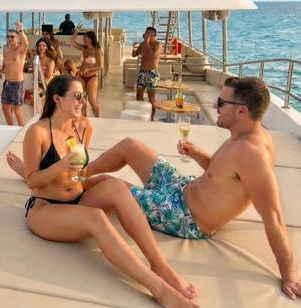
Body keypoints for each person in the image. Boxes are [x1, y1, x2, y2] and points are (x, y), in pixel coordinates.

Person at [86, 76, 300, 300]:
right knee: (129, 146)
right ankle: (78, 174)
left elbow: (273, 217)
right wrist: (197, 154)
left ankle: (68, 192)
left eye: (221, 102)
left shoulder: (252, 154)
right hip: (182, 187)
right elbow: (219, 173)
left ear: (241, 111)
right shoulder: (241, 136)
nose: (215, 106)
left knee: (107, 184)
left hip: (185, 217)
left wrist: (289, 276)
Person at [22, 75, 197, 307]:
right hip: (46, 208)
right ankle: (158, 289)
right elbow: (32, 181)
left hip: (77, 200)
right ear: (57, 99)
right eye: (77, 96)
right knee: (96, 217)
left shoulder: (83, 126)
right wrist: (59, 166)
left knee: (116, 186)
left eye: (84, 96)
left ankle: (160, 265)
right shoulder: (38, 132)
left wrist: (85, 178)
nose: (83, 101)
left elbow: (79, 173)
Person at [0, 21, 29, 126]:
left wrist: (21, 29)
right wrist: (1, 70)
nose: (9, 38)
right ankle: (10, 128)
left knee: (16, 109)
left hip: (17, 83)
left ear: (18, 38)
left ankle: (22, 130)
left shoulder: (21, 50)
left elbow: (26, 43)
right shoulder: (6, 49)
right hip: (7, 82)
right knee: (5, 108)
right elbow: (5, 62)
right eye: (8, 36)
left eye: (12, 37)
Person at [70, 29, 103, 117]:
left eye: (85, 37)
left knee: (92, 101)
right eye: (83, 37)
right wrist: (76, 32)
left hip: (91, 77)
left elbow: (101, 66)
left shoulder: (97, 51)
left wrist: (89, 69)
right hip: (80, 76)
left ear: (91, 39)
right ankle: (84, 118)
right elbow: (72, 42)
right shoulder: (83, 48)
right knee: (80, 99)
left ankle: (97, 118)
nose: (83, 39)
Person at [132, 26, 161, 120]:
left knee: (151, 98)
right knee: (138, 95)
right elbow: (134, 54)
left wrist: (146, 43)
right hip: (142, 72)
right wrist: (134, 47)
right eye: (146, 32)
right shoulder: (142, 44)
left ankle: (151, 119)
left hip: (152, 74)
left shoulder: (158, 45)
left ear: (153, 35)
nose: (145, 34)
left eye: (148, 33)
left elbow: (153, 56)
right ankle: (141, 116)